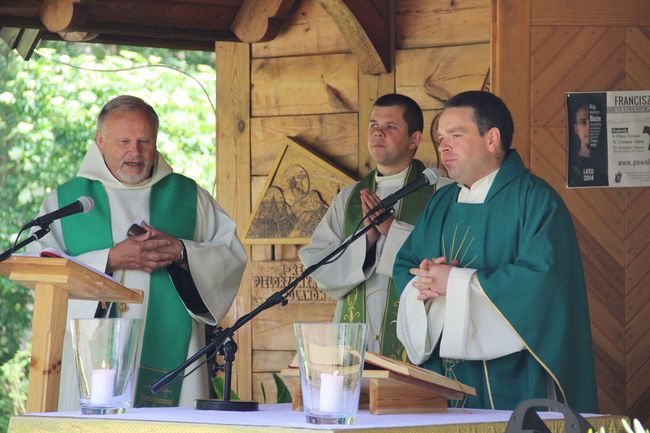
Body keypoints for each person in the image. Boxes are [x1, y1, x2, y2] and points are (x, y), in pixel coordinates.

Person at [29, 95, 247, 409]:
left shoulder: (188, 196)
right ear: (100, 141)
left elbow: (230, 255)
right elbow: (39, 267)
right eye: (124, 141)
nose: (135, 151)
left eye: (145, 141)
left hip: (172, 346)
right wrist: (108, 259)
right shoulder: (67, 200)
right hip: (91, 351)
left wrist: (182, 251)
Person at [393, 90, 598, 412]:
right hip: (439, 376)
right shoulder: (440, 202)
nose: (443, 146)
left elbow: (542, 284)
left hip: (512, 376)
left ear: (492, 139)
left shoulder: (535, 200)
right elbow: (406, 265)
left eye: (456, 136)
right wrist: (423, 281)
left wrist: (456, 282)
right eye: (440, 137)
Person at [299, 94, 451, 359]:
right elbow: (318, 266)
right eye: (373, 125)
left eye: (390, 127)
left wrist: (392, 229)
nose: (378, 133)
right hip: (357, 342)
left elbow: (450, 259)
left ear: (414, 139)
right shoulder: (349, 198)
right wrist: (365, 241)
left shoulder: (442, 193)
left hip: (418, 338)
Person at [568, 98, 608, 187]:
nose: (589, 127)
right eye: (583, 122)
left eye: (594, 121)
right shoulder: (572, 165)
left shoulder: (606, 162)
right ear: (576, 128)